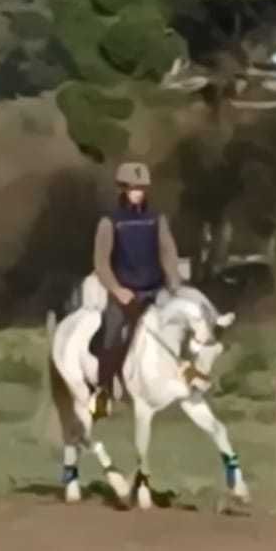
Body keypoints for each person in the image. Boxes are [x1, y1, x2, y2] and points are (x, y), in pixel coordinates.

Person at [92, 161, 182, 405]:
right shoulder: (110, 222)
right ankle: (102, 391)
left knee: (179, 330)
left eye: (141, 188)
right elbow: (101, 263)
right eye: (132, 188)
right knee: (112, 338)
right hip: (125, 293)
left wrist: (173, 280)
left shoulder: (156, 219)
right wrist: (117, 290)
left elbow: (167, 251)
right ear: (123, 190)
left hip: (155, 291)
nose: (137, 193)